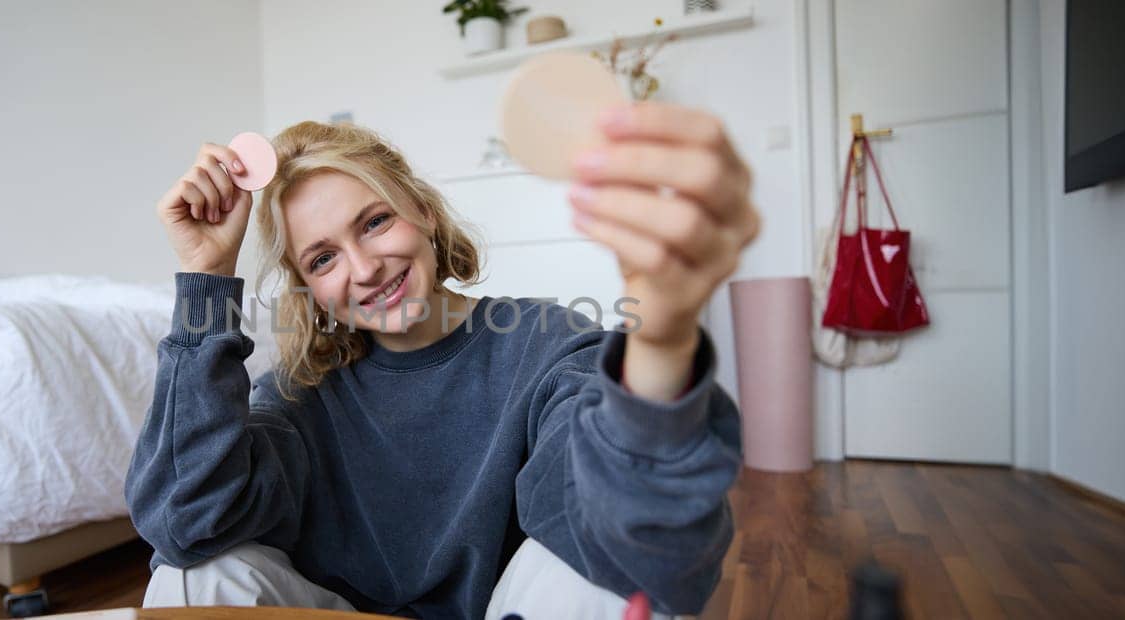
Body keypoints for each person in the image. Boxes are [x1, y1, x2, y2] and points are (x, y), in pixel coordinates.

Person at [126, 102, 760, 619]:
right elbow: (185, 522)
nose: (365, 269)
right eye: (323, 259)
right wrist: (207, 278)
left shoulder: (541, 342)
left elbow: (627, 526)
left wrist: (663, 338)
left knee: (614, 576)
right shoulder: (301, 393)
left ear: (422, 211)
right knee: (195, 574)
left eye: (374, 223)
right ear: (307, 286)